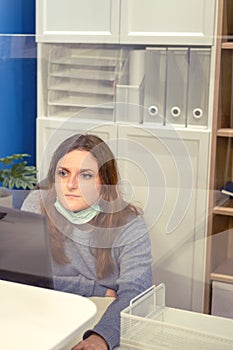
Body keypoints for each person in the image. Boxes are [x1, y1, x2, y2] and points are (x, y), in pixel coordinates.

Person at [22, 133, 153, 350]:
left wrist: (100, 338)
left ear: (105, 182)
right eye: (63, 173)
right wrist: (96, 289)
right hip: (43, 316)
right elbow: (25, 278)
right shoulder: (36, 204)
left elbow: (135, 295)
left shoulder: (130, 225)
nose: (71, 184)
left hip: (101, 321)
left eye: (85, 175)